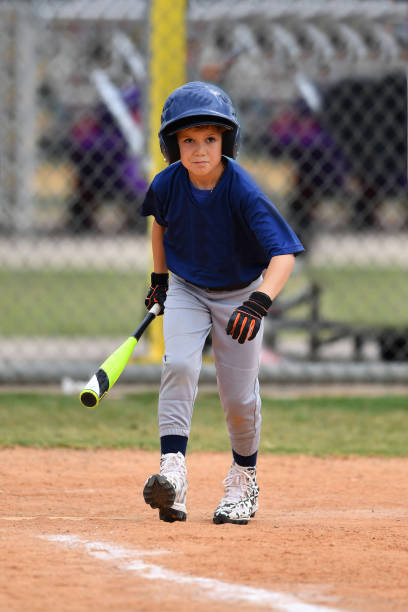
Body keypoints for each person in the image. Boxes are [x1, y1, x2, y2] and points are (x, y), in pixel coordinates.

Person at [140, 81, 304, 525]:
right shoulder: (168, 183)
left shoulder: (242, 189)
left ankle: (243, 481)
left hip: (239, 295)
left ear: (225, 141)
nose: (199, 150)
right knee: (179, 364)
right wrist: (159, 278)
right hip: (188, 288)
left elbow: (283, 254)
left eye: (210, 139)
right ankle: (172, 474)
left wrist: (258, 301)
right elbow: (160, 224)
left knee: (238, 398)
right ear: (173, 146)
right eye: (188, 140)